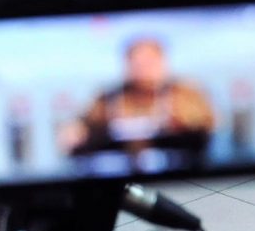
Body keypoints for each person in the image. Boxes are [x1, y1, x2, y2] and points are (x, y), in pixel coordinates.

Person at [62, 36, 216, 160]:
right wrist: (75, 134)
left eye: (149, 63)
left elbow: (208, 129)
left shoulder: (186, 94)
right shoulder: (108, 99)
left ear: (163, 62)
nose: (143, 69)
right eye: (137, 63)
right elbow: (80, 129)